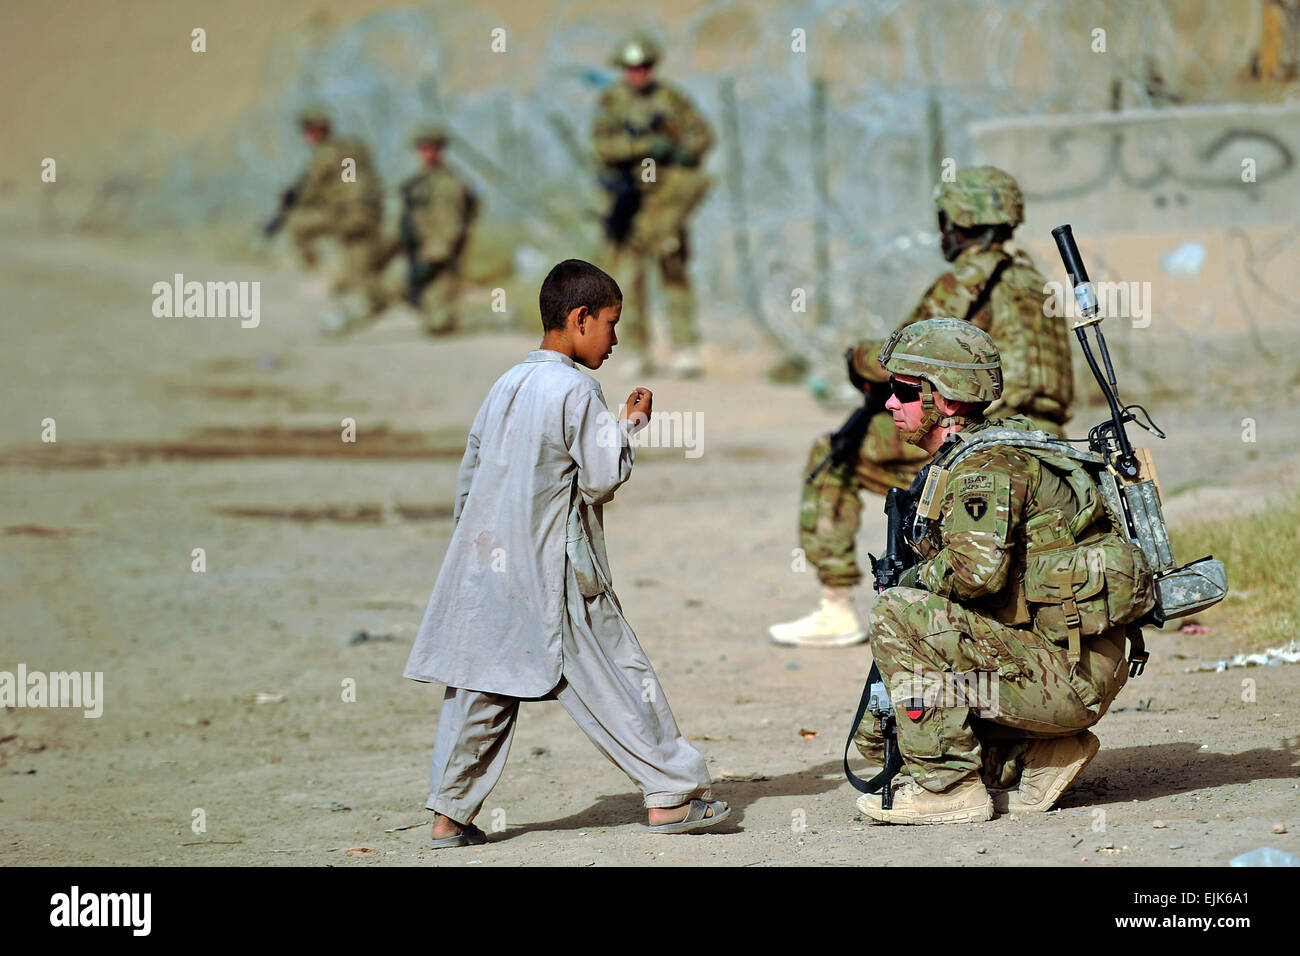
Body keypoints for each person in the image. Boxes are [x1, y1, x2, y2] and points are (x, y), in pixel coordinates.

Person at [403, 259, 729, 847]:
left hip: (486, 566)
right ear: (579, 319)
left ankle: (448, 815)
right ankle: (671, 796)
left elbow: (470, 473)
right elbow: (601, 478)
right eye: (611, 323)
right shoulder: (577, 389)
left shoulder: (507, 383)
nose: (615, 338)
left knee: (481, 688)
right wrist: (629, 425)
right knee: (622, 677)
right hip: (554, 569)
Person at [851, 317, 1151, 825]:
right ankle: (1037, 759)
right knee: (878, 735)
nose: (889, 404)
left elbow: (975, 576)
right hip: (1064, 665)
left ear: (946, 401)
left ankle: (949, 790)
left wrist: (908, 582)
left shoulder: (984, 470)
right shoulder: (990, 448)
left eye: (903, 390)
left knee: (898, 614)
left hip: (1065, 677)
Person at [769, 166, 1074, 648]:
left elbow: (909, 352)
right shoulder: (1035, 281)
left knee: (831, 457)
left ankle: (837, 606)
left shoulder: (968, 280)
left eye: (946, 219)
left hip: (977, 428)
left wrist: (856, 357)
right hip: (1042, 436)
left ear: (960, 221)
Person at [591, 32, 714, 377]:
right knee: (628, 277)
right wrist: (644, 146)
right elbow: (603, 146)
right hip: (630, 199)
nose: (638, 74)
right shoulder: (612, 102)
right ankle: (635, 349)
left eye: (644, 66)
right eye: (631, 67)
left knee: (673, 269)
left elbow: (702, 137)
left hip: (668, 198)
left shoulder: (672, 98)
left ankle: (685, 347)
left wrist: (676, 146)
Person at [267, 107, 387, 333]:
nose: (309, 136)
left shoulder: (338, 153)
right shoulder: (341, 151)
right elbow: (334, 183)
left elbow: (346, 182)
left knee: (299, 227)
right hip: (358, 215)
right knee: (358, 273)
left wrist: (354, 209)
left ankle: (319, 276)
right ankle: (357, 299)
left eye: (312, 130)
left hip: (352, 216)